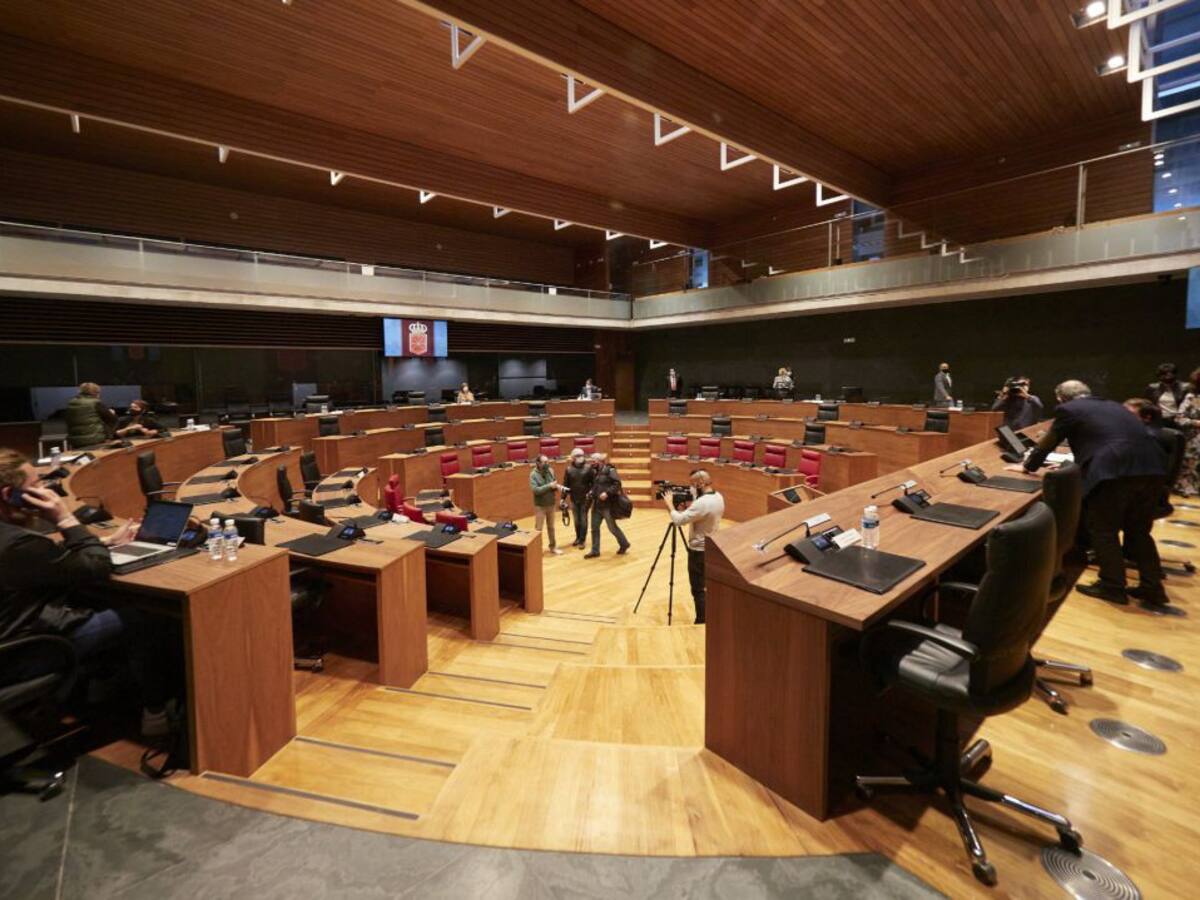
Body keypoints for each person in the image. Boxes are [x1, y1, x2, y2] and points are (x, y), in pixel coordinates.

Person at [0, 448, 174, 735]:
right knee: (143, 618)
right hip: (22, 654)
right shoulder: (19, 545)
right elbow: (97, 567)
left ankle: (103, 687)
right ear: (10, 495)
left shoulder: (15, 544)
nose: (47, 490)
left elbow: (44, 558)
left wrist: (102, 541)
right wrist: (65, 519)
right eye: (37, 485)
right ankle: (156, 714)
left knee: (91, 598)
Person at [1015, 380, 1168, 607]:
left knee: (1104, 530)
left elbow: (1048, 443)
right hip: (1153, 467)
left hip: (1113, 470)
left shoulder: (1068, 409)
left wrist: (1029, 466)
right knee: (1138, 531)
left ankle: (1112, 586)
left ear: (1061, 398)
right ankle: (1153, 587)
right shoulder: (1113, 405)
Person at [662, 469, 724, 624]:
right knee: (706, 585)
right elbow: (700, 514)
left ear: (700, 483)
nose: (690, 488)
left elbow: (679, 520)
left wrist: (670, 504)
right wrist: (689, 508)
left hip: (698, 551)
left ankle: (701, 620)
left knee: (698, 588)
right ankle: (711, 614)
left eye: (692, 484)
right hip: (712, 547)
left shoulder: (702, 503)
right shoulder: (718, 496)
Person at [1161, 369, 1200, 496]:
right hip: (1195, 439)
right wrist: (1197, 423)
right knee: (1189, 467)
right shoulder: (1192, 398)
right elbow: (1179, 418)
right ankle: (1186, 489)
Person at [584, 453, 629, 558]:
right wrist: (591, 492)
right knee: (594, 528)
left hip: (607, 506)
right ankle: (595, 550)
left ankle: (624, 544)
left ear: (600, 461)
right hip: (597, 505)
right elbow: (595, 485)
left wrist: (607, 493)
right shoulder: (595, 472)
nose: (592, 463)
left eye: (593, 461)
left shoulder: (610, 470)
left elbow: (617, 484)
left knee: (612, 528)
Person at [64, 382, 117, 449]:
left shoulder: (71, 403)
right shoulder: (95, 403)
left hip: (75, 442)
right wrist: (112, 413)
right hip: (94, 441)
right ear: (95, 393)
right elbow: (112, 419)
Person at [560, 448, 593, 548]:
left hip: (585, 499)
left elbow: (594, 483)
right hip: (574, 498)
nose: (580, 457)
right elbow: (566, 485)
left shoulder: (588, 468)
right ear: (573, 458)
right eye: (578, 456)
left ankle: (582, 540)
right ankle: (578, 538)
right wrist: (562, 498)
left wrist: (591, 493)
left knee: (583, 520)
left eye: (581, 455)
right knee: (576, 520)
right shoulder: (569, 469)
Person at [530, 455, 562, 555]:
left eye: (548, 461)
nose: (547, 464)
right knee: (538, 529)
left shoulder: (551, 471)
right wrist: (549, 486)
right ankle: (537, 550)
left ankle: (553, 547)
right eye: (545, 462)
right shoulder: (533, 475)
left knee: (551, 527)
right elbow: (536, 490)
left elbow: (553, 484)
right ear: (538, 463)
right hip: (540, 506)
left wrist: (557, 487)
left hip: (551, 504)